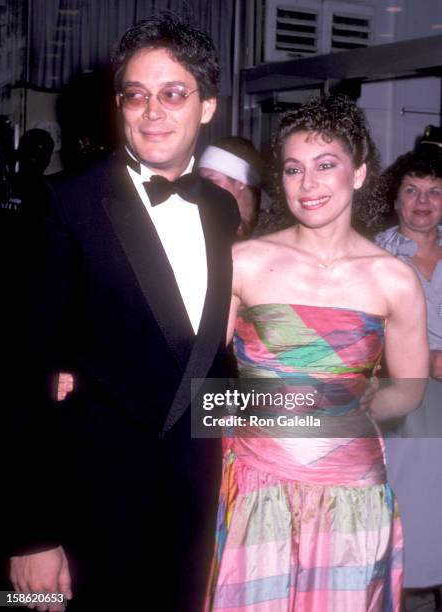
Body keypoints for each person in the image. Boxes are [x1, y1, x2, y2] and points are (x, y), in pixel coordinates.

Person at [7, 12, 238, 612]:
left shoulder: (220, 209)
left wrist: (318, 410)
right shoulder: (65, 203)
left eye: (172, 94)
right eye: (135, 95)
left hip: (195, 500)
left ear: (208, 105)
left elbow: (208, 364)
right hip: (91, 507)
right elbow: (19, 374)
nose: (152, 111)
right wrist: (30, 534)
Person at [204, 95, 428, 611]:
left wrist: (361, 403)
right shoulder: (244, 262)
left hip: (351, 492)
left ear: (358, 173)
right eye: (293, 169)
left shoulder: (394, 279)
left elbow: (410, 390)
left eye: (326, 166)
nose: (308, 185)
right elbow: (192, 371)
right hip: (255, 485)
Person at [375, 145, 442, 604]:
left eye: (435, 192)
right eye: (412, 191)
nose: (422, 202)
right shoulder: (374, 255)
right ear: (395, 198)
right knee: (411, 512)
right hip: (406, 399)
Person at [198, 136, 263, 239]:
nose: (202, 189)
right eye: (201, 182)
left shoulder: (275, 230)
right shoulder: (205, 222)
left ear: (241, 182)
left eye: (211, 181)